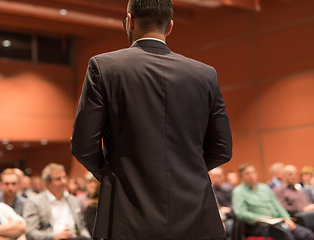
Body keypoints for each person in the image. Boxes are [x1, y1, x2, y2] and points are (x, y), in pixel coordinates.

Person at [70, 0, 232, 239]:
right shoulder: (205, 74)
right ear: (170, 27)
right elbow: (222, 148)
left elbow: (84, 146)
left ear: (129, 21)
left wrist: (115, 173)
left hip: (128, 214)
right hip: (197, 215)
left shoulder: (103, 67)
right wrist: (185, 169)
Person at [232, 163, 313, 240]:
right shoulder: (238, 191)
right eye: (248, 173)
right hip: (259, 225)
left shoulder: (264, 188)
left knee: (307, 234)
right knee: (288, 237)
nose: (251, 175)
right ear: (241, 176)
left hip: (277, 222)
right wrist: (260, 218)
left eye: (253, 172)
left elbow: (278, 206)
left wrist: (287, 219)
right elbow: (240, 213)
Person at [23, 163, 91, 240]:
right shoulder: (35, 202)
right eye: (58, 179)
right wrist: (54, 236)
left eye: (65, 177)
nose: (64, 181)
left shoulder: (73, 200)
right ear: (47, 183)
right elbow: (30, 233)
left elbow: (82, 228)